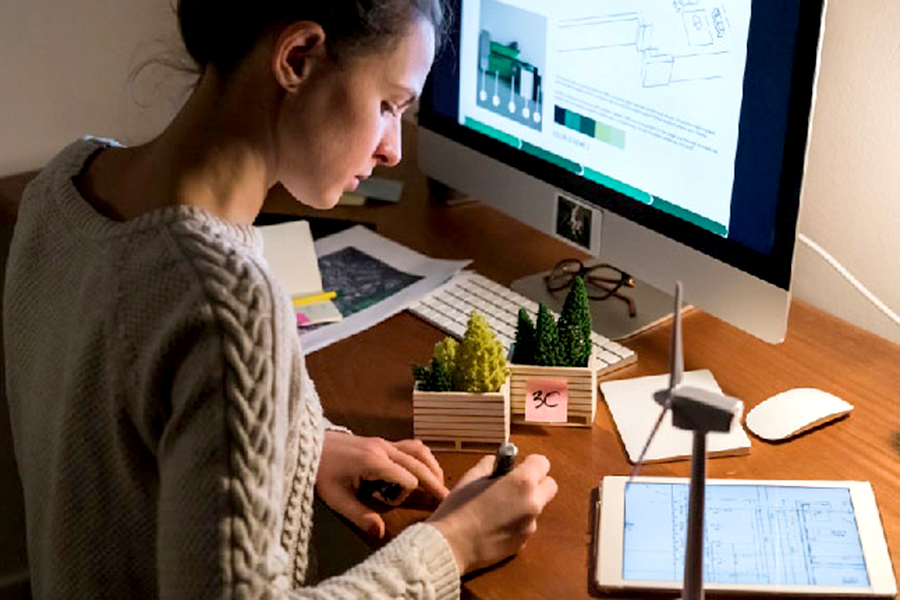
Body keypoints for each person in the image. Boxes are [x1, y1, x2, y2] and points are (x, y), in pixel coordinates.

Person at [3, 0, 558, 598]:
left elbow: (123, 444)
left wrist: (302, 444)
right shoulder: (224, 300)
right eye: (388, 106)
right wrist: (453, 544)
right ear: (298, 58)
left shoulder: (62, 189)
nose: (394, 149)